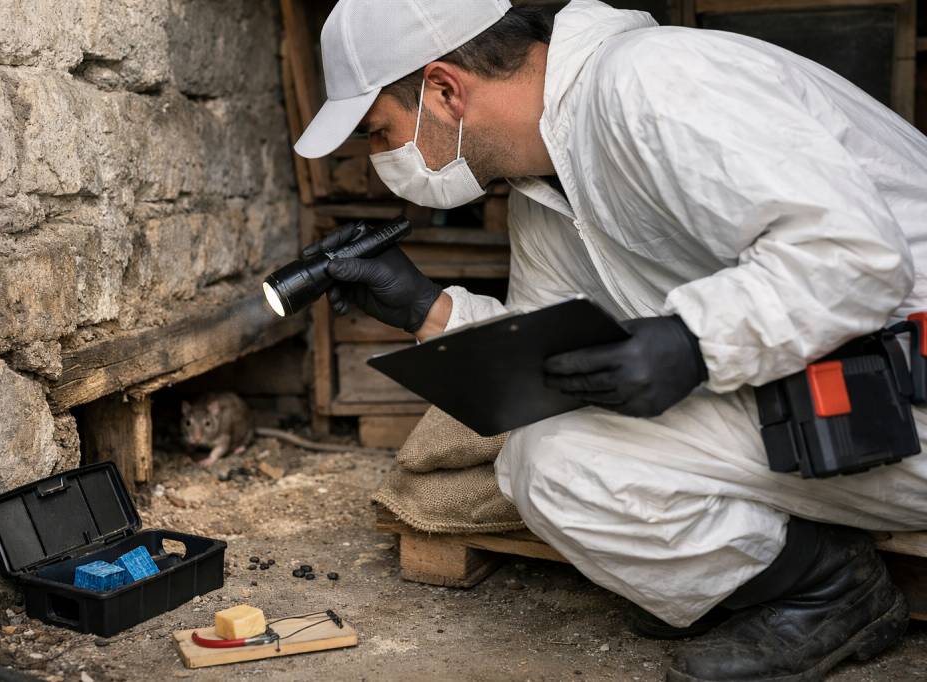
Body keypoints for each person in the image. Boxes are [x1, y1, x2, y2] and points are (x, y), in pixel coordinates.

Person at [294, 1, 927, 679]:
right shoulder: (544, 184)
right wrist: (428, 309)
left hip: (904, 389)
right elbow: (551, 364)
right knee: (551, 456)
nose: (379, 157)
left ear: (445, 91)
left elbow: (854, 257)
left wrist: (693, 340)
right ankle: (803, 573)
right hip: (845, 399)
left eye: (377, 132)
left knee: (559, 459)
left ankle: (825, 593)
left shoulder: (652, 80)